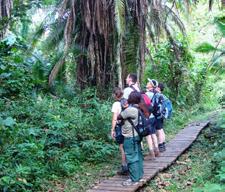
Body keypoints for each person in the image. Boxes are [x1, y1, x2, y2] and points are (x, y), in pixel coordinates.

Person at [117, 91, 144, 186]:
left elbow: (119, 116)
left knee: (131, 157)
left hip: (130, 137)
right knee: (138, 155)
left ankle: (134, 179)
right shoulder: (139, 107)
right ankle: (139, 176)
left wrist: (124, 108)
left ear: (131, 98)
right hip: (137, 135)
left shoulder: (130, 110)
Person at [111, 87, 128, 175]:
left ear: (115, 95)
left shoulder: (116, 104)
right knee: (127, 145)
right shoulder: (126, 101)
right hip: (128, 126)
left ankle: (124, 167)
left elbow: (115, 118)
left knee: (122, 147)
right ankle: (130, 165)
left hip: (120, 127)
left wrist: (112, 130)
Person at [145, 79, 160, 158]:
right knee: (153, 134)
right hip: (153, 116)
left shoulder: (147, 94)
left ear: (151, 85)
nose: (147, 83)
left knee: (148, 135)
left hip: (148, 117)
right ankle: (157, 150)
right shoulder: (156, 93)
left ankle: (152, 153)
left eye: (148, 82)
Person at [156, 83, 166, 152]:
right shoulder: (162, 96)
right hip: (162, 115)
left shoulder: (158, 95)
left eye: (156, 87)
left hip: (158, 115)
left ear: (159, 88)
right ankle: (163, 144)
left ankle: (161, 145)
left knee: (159, 130)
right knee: (161, 129)